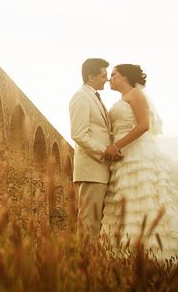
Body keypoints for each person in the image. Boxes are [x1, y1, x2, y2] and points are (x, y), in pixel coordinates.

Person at [100, 64, 178, 261]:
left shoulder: (136, 94)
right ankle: (126, 254)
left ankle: (155, 255)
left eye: (114, 74)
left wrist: (117, 145)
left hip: (136, 153)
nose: (110, 78)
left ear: (126, 77)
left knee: (144, 199)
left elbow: (144, 125)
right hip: (122, 157)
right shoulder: (122, 99)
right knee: (126, 202)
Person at [69, 58, 122, 240]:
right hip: (91, 170)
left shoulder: (94, 97)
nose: (106, 79)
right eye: (103, 75)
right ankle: (84, 264)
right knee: (88, 221)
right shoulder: (81, 97)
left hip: (100, 170)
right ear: (91, 76)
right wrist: (105, 151)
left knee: (96, 223)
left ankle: (93, 262)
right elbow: (78, 134)